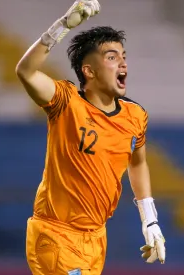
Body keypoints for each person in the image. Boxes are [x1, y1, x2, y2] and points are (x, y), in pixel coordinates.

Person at [15, 0, 166, 274]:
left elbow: (137, 162)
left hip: (96, 238)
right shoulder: (66, 102)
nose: (122, 62)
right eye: (111, 57)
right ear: (89, 71)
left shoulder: (135, 116)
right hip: (56, 234)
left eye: (123, 56)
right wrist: (61, 27)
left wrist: (150, 220)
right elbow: (25, 72)